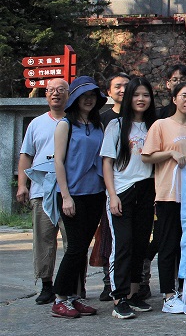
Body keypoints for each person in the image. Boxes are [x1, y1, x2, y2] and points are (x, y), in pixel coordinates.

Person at [141, 82, 186, 314]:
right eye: (184, 96)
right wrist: (170, 153)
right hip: (169, 194)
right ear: (174, 99)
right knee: (168, 245)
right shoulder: (161, 125)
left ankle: (184, 290)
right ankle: (168, 295)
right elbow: (146, 156)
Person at [50, 77, 107, 319]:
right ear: (75, 98)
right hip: (72, 194)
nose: (89, 99)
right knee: (74, 248)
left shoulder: (97, 125)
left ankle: (73, 297)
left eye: (93, 95)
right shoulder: (65, 125)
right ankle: (59, 298)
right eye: (84, 95)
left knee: (83, 247)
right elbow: (58, 161)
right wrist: (66, 196)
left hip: (95, 193)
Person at [101, 77, 157, 319]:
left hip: (147, 189)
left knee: (140, 244)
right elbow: (107, 163)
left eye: (145, 95)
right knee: (122, 244)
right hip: (122, 189)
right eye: (136, 94)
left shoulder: (154, 126)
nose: (141, 99)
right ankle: (119, 297)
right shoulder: (116, 125)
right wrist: (112, 195)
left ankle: (134, 295)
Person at [17, 79, 70, 305]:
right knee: (43, 240)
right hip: (41, 190)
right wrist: (22, 185)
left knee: (72, 241)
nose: (55, 94)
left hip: (69, 191)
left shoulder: (75, 122)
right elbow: (26, 155)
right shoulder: (36, 124)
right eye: (51, 90)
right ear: (46, 94)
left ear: (68, 94)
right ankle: (46, 285)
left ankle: (73, 286)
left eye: (61, 90)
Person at [95, 71, 131, 300]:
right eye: (118, 86)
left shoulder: (142, 119)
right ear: (109, 91)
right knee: (109, 238)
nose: (123, 90)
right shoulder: (104, 119)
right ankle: (109, 283)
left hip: (134, 189)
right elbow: (104, 158)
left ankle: (136, 285)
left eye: (127, 85)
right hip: (108, 186)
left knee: (131, 240)